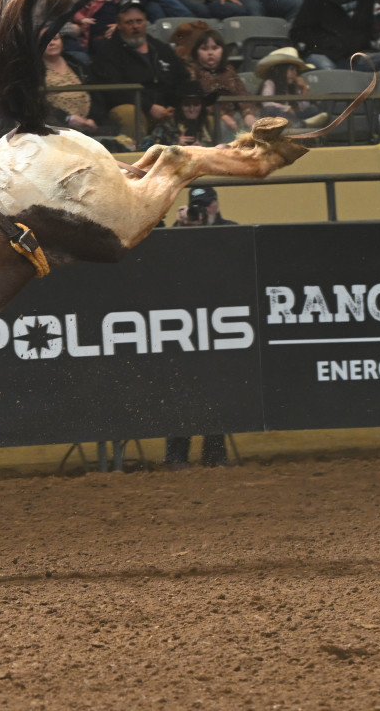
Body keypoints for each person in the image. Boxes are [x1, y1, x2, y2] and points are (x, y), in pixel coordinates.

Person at [164, 185, 236, 469]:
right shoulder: (176, 232)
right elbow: (163, 263)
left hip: (218, 322)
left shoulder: (230, 230)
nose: (201, 211)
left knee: (217, 388)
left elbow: (231, 265)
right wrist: (179, 229)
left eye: (206, 205)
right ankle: (176, 454)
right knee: (180, 388)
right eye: (197, 205)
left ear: (216, 205)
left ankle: (215, 453)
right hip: (181, 322)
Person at [90, 0, 185, 146]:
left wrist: (175, 105)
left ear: (146, 22)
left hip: (167, 108)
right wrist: (149, 107)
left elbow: (182, 77)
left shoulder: (160, 48)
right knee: (129, 113)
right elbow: (115, 91)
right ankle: (134, 160)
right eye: (129, 22)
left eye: (139, 21)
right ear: (119, 25)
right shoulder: (108, 52)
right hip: (133, 108)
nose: (135, 26)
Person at [185, 28, 257, 138]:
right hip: (209, 116)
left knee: (254, 125)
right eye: (204, 49)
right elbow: (197, 100)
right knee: (223, 126)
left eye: (215, 48)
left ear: (222, 50)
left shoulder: (229, 70)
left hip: (234, 114)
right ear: (196, 52)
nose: (210, 53)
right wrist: (222, 115)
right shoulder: (193, 70)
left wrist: (248, 113)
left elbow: (242, 94)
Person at [42, 31, 99, 134]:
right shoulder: (33, 71)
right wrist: (68, 118)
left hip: (89, 123)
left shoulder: (77, 64)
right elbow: (37, 103)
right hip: (54, 124)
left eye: (55, 39)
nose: (52, 43)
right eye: (46, 40)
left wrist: (93, 119)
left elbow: (96, 93)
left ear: (62, 42)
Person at [255, 46, 327, 126]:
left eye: (296, 70)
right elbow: (267, 103)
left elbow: (302, 108)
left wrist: (304, 89)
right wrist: (286, 108)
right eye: (292, 69)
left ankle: (299, 123)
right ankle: (299, 124)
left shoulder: (294, 85)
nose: (295, 73)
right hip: (277, 118)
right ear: (281, 70)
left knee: (313, 109)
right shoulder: (270, 83)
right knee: (270, 110)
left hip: (294, 116)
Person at [142, 79, 217, 148]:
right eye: (187, 105)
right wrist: (175, 145)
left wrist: (203, 149)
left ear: (202, 106)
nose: (191, 109)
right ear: (180, 106)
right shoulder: (166, 126)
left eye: (196, 104)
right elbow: (150, 149)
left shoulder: (209, 125)